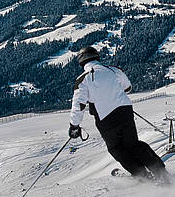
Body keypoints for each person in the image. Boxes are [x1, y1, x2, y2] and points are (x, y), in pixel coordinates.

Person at [69, 46, 166, 180]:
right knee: (133, 144)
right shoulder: (113, 70)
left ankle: (142, 175)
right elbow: (128, 87)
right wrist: (113, 93)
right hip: (125, 111)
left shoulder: (83, 79)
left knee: (116, 148)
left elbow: (79, 105)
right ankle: (161, 172)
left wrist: (74, 126)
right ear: (97, 56)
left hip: (105, 118)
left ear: (81, 61)